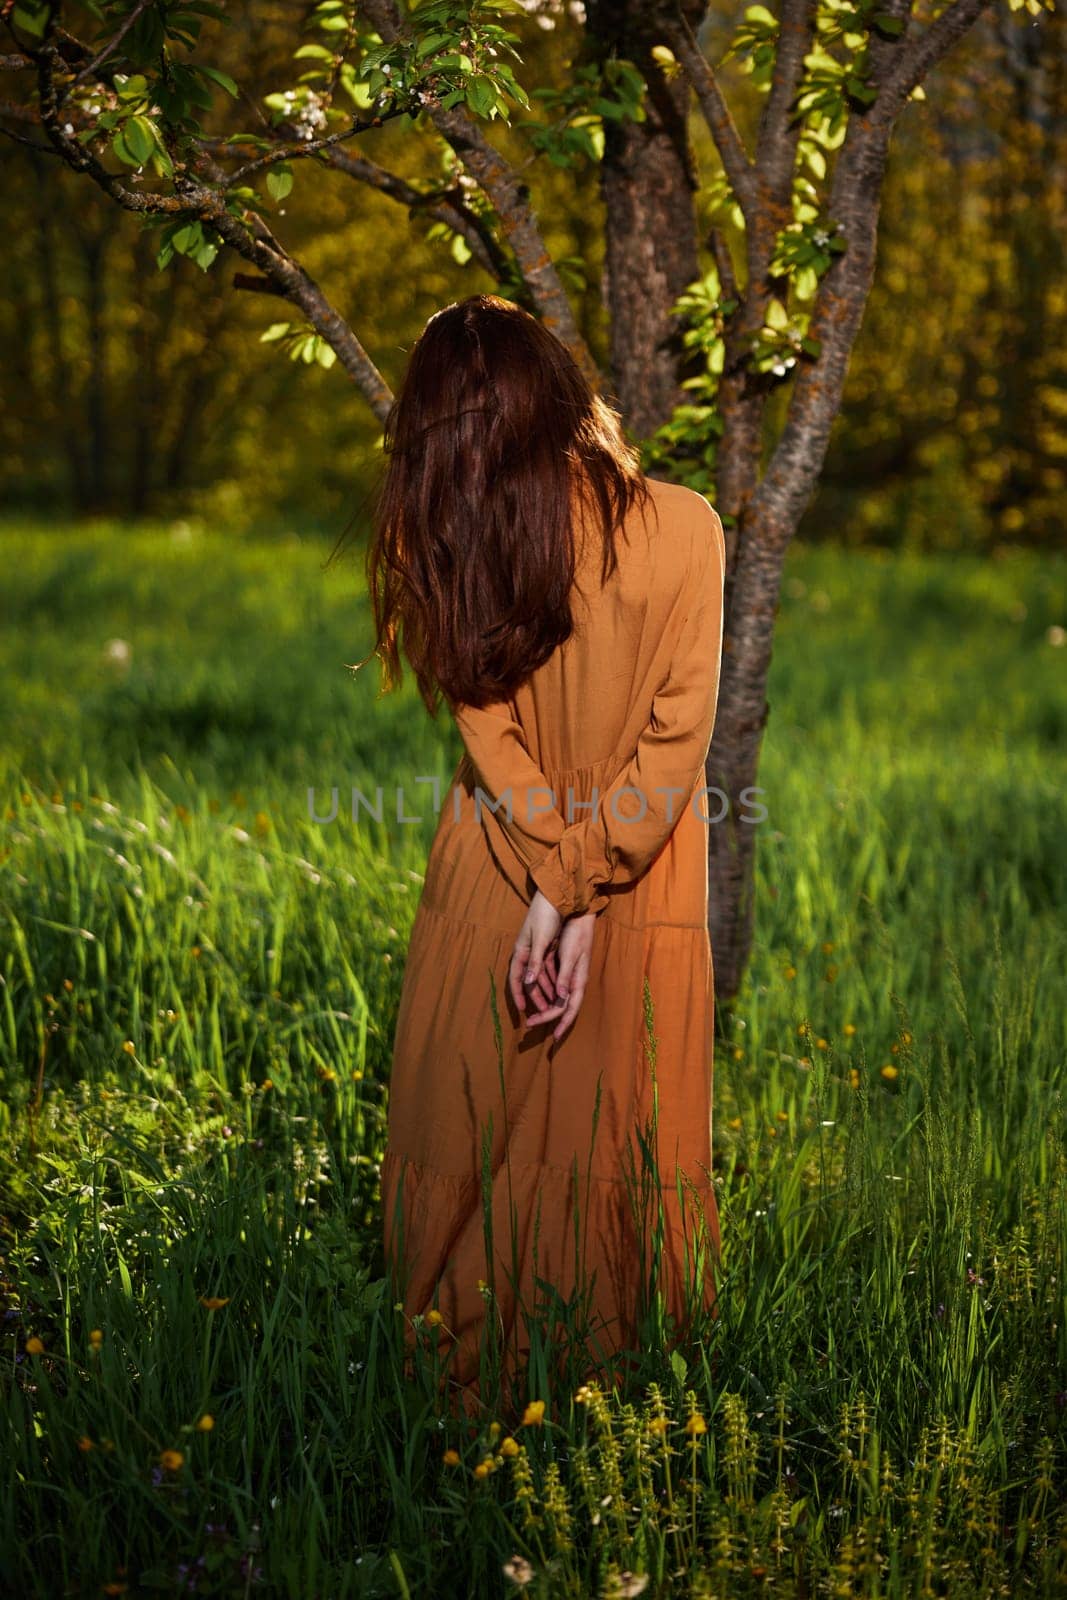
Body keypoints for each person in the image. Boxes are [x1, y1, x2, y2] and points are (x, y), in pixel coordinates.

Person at [366, 293, 727, 1421]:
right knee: (597, 1131)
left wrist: (545, 886)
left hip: (496, 863)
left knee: (463, 1122)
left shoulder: (464, 531)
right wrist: (580, 890)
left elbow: (487, 730)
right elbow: (676, 742)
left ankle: (443, 1401)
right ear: (563, 396)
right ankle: (614, 1402)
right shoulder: (688, 524)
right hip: (641, 873)